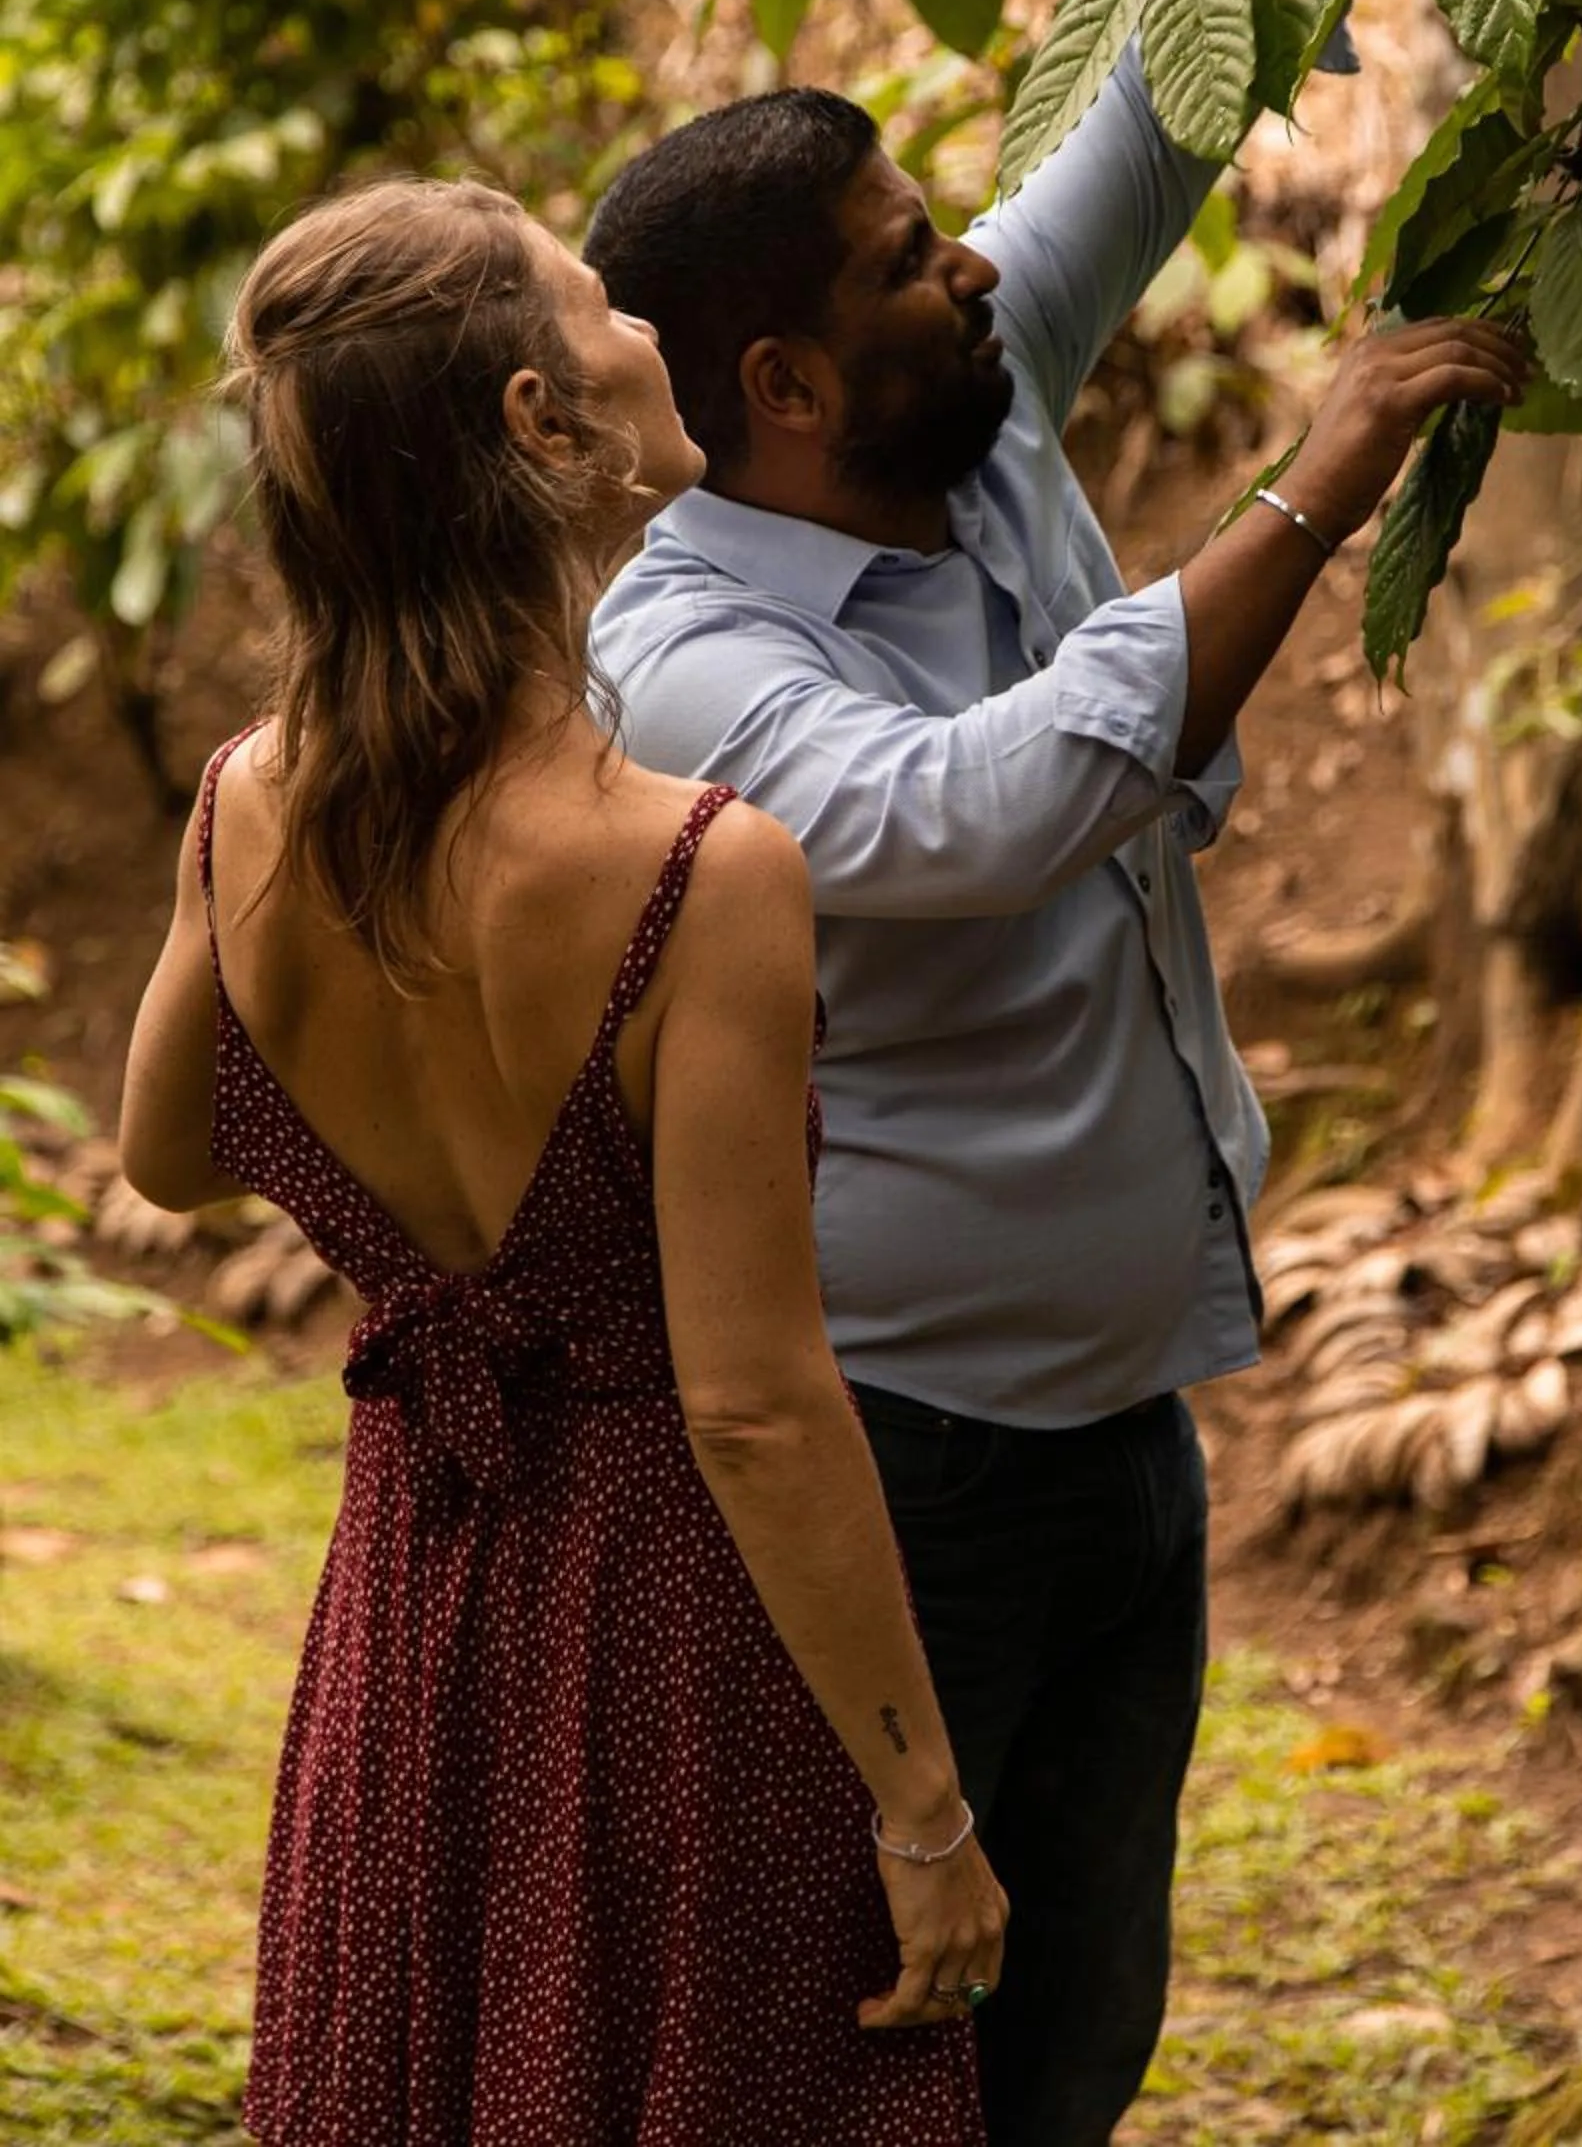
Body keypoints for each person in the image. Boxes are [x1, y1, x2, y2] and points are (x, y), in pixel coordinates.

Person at [584, 22, 1527, 2140]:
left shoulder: (956, 410)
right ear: (787, 386)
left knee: (1074, 2038)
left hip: (1119, 1443)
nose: (979, 270)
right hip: (901, 1477)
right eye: (909, 258)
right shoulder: (687, 657)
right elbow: (969, 815)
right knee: (847, 2036)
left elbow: (1160, 105)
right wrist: (1311, 480)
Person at [117, 176, 1004, 2147]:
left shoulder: (256, 806)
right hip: (675, 1674)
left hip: (407, 1636)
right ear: (543, 423)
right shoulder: (703, 872)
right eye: (602, 307)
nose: (638, 332)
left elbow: (167, 1150)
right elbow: (755, 1408)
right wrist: (923, 1808)